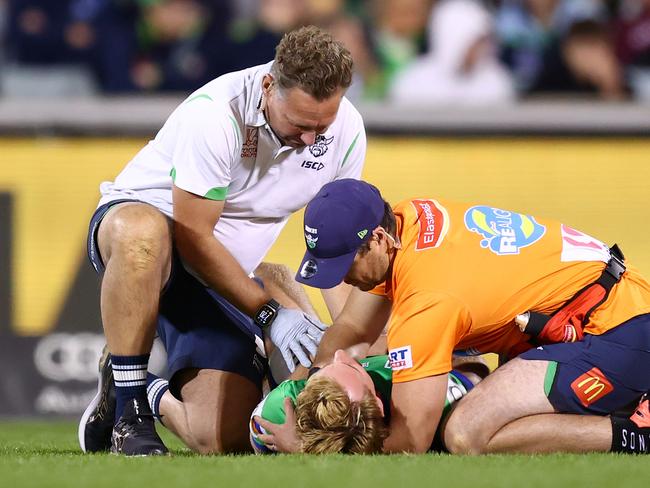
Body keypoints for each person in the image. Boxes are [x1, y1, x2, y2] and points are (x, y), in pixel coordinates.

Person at [78, 25, 367, 456]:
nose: (311, 140)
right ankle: (129, 407)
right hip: (154, 248)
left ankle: (141, 387)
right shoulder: (216, 114)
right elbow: (193, 238)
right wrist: (269, 313)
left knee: (221, 439)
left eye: (321, 128)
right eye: (302, 124)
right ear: (269, 86)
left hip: (227, 278)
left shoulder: (345, 129)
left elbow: (340, 242)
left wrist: (349, 340)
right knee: (144, 234)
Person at [277, 178, 650, 454]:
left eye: (343, 263)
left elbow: (411, 442)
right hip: (598, 310)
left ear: (377, 239)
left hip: (616, 330)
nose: (339, 277)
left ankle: (636, 435)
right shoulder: (406, 220)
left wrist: (309, 447)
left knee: (465, 434)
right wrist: (315, 389)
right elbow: (352, 330)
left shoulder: (427, 298)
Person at [250, 349, 484, 454]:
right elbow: (474, 375)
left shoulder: (285, 403)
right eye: (355, 367)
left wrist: (302, 449)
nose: (340, 353)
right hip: (435, 365)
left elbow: (256, 433)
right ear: (378, 404)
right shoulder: (286, 402)